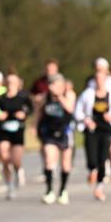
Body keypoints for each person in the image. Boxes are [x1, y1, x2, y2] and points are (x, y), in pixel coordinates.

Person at [76, 62, 111, 201]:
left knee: (103, 158)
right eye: (97, 79)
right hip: (92, 129)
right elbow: (78, 111)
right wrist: (86, 120)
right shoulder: (87, 94)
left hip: (106, 129)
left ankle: (99, 188)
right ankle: (92, 170)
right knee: (92, 158)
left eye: (102, 79)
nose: (99, 81)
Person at [37, 73, 77, 204]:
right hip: (50, 132)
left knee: (65, 164)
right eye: (51, 84)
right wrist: (35, 127)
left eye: (56, 84)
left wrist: (59, 96)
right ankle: (49, 191)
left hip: (65, 132)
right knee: (49, 160)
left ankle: (63, 190)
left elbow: (70, 109)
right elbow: (39, 113)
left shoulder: (69, 94)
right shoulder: (46, 97)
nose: (52, 87)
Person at [0, 72, 33, 200]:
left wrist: (24, 114)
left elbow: (30, 109)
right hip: (4, 131)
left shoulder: (23, 98)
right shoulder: (0, 99)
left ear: (18, 84)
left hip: (18, 131)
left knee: (16, 159)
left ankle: (18, 170)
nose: (10, 85)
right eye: (8, 82)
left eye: (13, 82)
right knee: (4, 156)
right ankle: (9, 186)